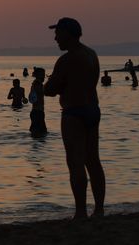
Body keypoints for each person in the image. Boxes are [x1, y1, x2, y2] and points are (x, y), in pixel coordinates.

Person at [44, 17, 105, 220]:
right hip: (92, 110)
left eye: (58, 33)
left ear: (68, 34)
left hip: (74, 113)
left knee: (75, 163)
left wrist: (49, 86)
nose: (55, 38)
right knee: (93, 161)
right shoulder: (91, 54)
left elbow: (51, 90)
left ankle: (80, 212)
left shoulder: (67, 60)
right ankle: (99, 210)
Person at [29, 68, 48, 138]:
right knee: (41, 134)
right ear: (38, 75)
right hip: (37, 112)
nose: (44, 76)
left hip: (37, 112)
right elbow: (45, 92)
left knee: (39, 134)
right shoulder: (37, 84)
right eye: (42, 75)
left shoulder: (36, 83)